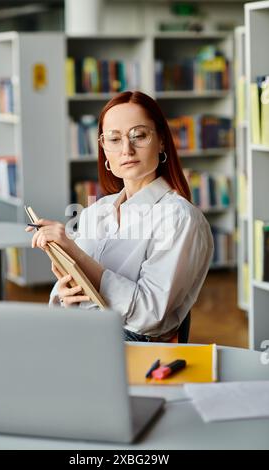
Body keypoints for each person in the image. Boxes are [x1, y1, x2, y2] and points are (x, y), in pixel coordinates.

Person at [26, 91, 213, 342]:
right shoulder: (95, 212)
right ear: (104, 148)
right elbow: (68, 296)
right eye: (114, 139)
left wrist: (75, 253)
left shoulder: (179, 218)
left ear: (161, 142)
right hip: (80, 333)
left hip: (132, 348)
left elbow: (149, 315)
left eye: (139, 135)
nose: (127, 149)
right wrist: (65, 296)